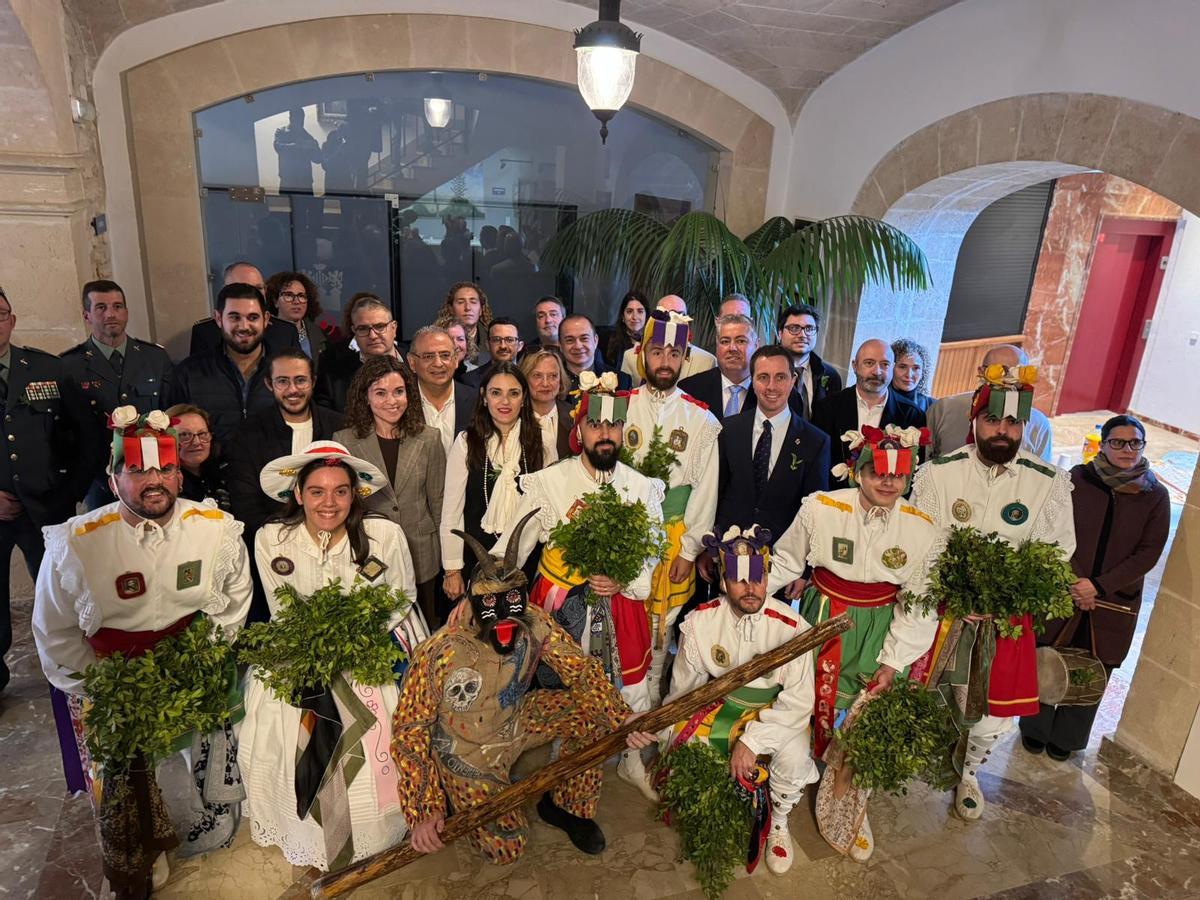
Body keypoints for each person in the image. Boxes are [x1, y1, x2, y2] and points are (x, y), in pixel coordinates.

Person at [32, 407, 252, 891]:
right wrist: (109, 685)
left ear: (179, 471)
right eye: (137, 469)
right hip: (114, 685)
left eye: (165, 468)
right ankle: (146, 855)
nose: (154, 480)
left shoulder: (214, 528)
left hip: (190, 678)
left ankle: (204, 840)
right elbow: (55, 634)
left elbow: (233, 603)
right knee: (132, 788)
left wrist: (196, 664)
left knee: (196, 771)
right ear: (113, 480)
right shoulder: (75, 544)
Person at [393, 513, 637, 864]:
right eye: (492, 604)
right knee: (507, 848)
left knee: (592, 717)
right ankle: (454, 791)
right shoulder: (442, 651)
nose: (506, 614)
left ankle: (564, 807)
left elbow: (580, 670)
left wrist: (621, 717)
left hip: (516, 721)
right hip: (466, 753)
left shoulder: (534, 621)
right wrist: (423, 805)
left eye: (514, 601)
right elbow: (409, 729)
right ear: (473, 604)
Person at [240, 441, 428, 871]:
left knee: (376, 735)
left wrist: (358, 642)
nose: (330, 502)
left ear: (355, 494)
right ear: (298, 494)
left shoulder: (385, 535)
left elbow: (403, 597)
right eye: (318, 491)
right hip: (300, 658)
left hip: (368, 656)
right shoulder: (272, 538)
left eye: (341, 491)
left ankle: (371, 832)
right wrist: (322, 651)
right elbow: (282, 608)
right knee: (284, 731)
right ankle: (311, 834)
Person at [768, 424, 940, 861]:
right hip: (821, 618)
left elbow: (919, 602)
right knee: (800, 706)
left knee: (862, 716)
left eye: (898, 476)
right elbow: (787, 560)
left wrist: (895, 660)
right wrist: (744, 590)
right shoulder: (821, 508)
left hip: (878, 629)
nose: (887, 482)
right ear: (857, 472)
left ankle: (847, 797)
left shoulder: (922, 529)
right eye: (877, 472)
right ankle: (780, 801)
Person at [489, 372, 664, 797]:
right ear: (580, 428)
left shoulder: (641, 487)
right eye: (595, 425)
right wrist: (487, 597)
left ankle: (629, 760)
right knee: (565, 687)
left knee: (633, 690)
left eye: (614, 426)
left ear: (624, 430)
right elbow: (512, 547)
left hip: (620, 604)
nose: (605, 434)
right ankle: (564, 761)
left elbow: (654, 550)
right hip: (558, 605)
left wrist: (626, 579)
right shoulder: (549, 483)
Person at [912, 364, 1075, 821]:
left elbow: (1058, 551)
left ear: (1024, 426)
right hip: (946, 613)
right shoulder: (937, 476)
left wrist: (1004, 597)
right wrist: (955, 596)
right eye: (992, 421)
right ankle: (919, 760)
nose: (1001, 432)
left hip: (1006, 618)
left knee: (994, 715)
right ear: (974, 422)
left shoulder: (1049, 484)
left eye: (1012, 423)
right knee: (927, 696)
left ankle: (971, 771)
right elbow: (924, 542)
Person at [627, 526, 819, 874]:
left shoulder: (793, 628)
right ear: (721, 580)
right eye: (738, 579)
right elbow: (683, 693)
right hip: (721, 706)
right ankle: (726, 799)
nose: (750, 588)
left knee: (793, 758)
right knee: (682, 745)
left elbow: (798, 704)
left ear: (768, 575)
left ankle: (778, 820)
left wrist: (752, 741)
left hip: (777, 714)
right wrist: (653, 727)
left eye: (757, 577)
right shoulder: (700, 624)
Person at [1020, 414, 1169, 760]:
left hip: (1115, 597)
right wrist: (1075, 580)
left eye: (1135, 443)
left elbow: (1148, 552)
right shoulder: (1077, 480)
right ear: (1103, 446)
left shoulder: (1155, 495)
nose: (1127, 449)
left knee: (1095, 663)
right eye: (1118, 442)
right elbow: (1054, 529)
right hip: (1065, 587)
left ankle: (1067, 738)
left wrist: (1098, 587)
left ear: (1143, 447)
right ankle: (1034, 728)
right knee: (1048, 654)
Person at [0, 285, 101, 693]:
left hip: (47, 509)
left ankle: (72, 673)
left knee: (66, 594)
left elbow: (89, 436)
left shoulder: (46, 370)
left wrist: (68, 492)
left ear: (12, 320)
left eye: (0, 313)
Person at [622, 309, 720, 704]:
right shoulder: (618, 406)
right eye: (657, 351)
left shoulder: (701, 418)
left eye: (674, 353)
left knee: (662, 632)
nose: (665, 361)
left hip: (673, 537)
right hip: (622, 535)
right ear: (642, 353)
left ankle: (646, 716)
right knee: (620, 626)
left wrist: (690, 547)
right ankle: (617, 713)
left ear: (684, 358)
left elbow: (705, 489)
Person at [226, 349, 345, 623]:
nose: (293, 389)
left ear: (313, 381)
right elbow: (245, 503)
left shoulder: (338, 425)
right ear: (269, 384)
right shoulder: (249, 432)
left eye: (300, 380)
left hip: (336, 547)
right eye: (283, 381)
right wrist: (289, 540)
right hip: (275, 550)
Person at [334, 356, 445, 626]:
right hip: (371, 553)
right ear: (366, 398)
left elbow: (439, 501)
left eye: (398, 392)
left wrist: (451, 564)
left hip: (422, 553)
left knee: (424, 627)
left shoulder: (429, 438)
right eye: (380, 393)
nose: (391, 401)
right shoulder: (344, 441)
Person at [59, 279, 175, 510]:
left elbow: (171, 412)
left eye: (117, 306)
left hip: (153, 473)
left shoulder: (155, 358)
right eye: (101, 307)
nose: (111, 314)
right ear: (87, 316)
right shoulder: (69, 366)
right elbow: (65, 430)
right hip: (98, 478)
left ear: (127, 312)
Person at [709, 345, 829, 561]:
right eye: (763, 377)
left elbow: (817, 512)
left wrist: (806, 571)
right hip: (728, 551)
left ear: (793, 380)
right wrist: (707, 548)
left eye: (780, 377)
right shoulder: (727, 430)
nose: (771, 386)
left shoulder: (816, 442)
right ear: (752, 381)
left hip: (782, 559)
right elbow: (713, 494)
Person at [441, 361, 545, 607]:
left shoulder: (541, 439)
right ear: (484, 397)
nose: (505, 402)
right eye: (496, 393)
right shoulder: (466, 442)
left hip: (527, 558)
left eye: (514, 393)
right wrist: (452, 570)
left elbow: (547, 502)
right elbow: (451, 512)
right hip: (478, 558)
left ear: (524, 398)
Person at [169, 282, 276, 444]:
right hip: (211, 468)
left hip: (276, 468)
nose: (244, 326)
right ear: (218, 319)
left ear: (266, 319)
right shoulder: (188, 373)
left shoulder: (286, 372)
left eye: (253, 317)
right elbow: (171, 435)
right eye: (234, 317)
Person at [812, 338, 925, 488]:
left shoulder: (911, 415)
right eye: (869, 363)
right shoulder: (828, 407)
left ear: (892, 368)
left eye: (884, 364)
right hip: (835, 501)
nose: (877, 372)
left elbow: (913, 473)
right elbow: (817, 465)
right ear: (855, 366)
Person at [926, 344, 1053, 460]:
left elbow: (1040, 475)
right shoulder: (944, 408)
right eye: (1002, 372)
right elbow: (922, 463)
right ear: (981, 372)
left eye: (1017, 373)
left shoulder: (1039, 424)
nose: (1008, 381)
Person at [189, 262, 300, 357]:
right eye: (242, 288)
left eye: (258, 288)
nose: (252, 294)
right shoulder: (205, 333)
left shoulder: (286, 332)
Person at [314, 295, 401, 412]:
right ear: (354, 332)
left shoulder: (418, 361)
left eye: (380, 327)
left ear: (394, 328)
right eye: (363, 329)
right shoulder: (333, 374)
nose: (373, 336)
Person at [406, 325, 475, 457]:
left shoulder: (477, 401)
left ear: (455, 360)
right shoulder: (399, 405)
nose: (438, 363)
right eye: (428, 356)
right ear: (412, 363)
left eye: (445, 355)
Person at [678, 312, 758, 423]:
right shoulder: (688, 389)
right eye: (725, 341)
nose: (732, 348)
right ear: (717, 347)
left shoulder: (769, 393)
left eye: (741, 341)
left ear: (756, 346)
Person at [620, 295, 716, 384]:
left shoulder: (707, 361)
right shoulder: (631, 357)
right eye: (665, 315)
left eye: (678, 315)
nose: (672, 321)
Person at [777, 303, 841, 418]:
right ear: (780, 333)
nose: (802, 335)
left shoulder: (830, 375)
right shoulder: (763, 368)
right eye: (794, 328)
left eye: (809, 329)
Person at [166, 403, 231, 511]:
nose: (197, 442)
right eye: (184, 435)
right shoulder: (164, 482)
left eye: (202, 434)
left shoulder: (224, 471)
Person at [520, 348, 573, 463]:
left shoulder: (575, 416)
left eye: (553, 376)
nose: (545, 383)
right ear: (525, 379)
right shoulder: (515, 418)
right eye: (537, 376)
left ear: (561, 379)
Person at [559, 313, 632, 392]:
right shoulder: (551, 382)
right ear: (560, 345)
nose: (578, 346)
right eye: (570, 340)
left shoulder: (621, 381)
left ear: (595, 341)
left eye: (584, 339)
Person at [265, 270, 326, 363]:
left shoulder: (319, 334)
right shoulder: (265, 334)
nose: (296, 301)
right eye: (289, 295)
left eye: (301, 296)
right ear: (275, 301)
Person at [434, 281, 493, 368]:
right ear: (451, 309)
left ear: (481, 310)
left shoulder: (492, 341)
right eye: (461, 302)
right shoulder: (434, 338)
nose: (468, 308)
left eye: (473, 302)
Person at [462, 317, 525, 389]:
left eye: (509, 340)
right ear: (488, 345)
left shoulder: (529, 378)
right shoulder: (470, 380)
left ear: (520, 346)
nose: (503, 346)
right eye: (496, 340)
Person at [598, 290, 648, 368]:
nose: (635, 317)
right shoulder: (608, 341)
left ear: (646, 316)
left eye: (640, 311)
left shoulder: (653, 341)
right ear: (622, 317)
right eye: (629, 311)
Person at [890, 338, 933, 413]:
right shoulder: (876, 400)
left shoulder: (931, 406)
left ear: (923, 372)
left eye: (916, 368)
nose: (909, 375)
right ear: (890, 368)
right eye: (902, 367)